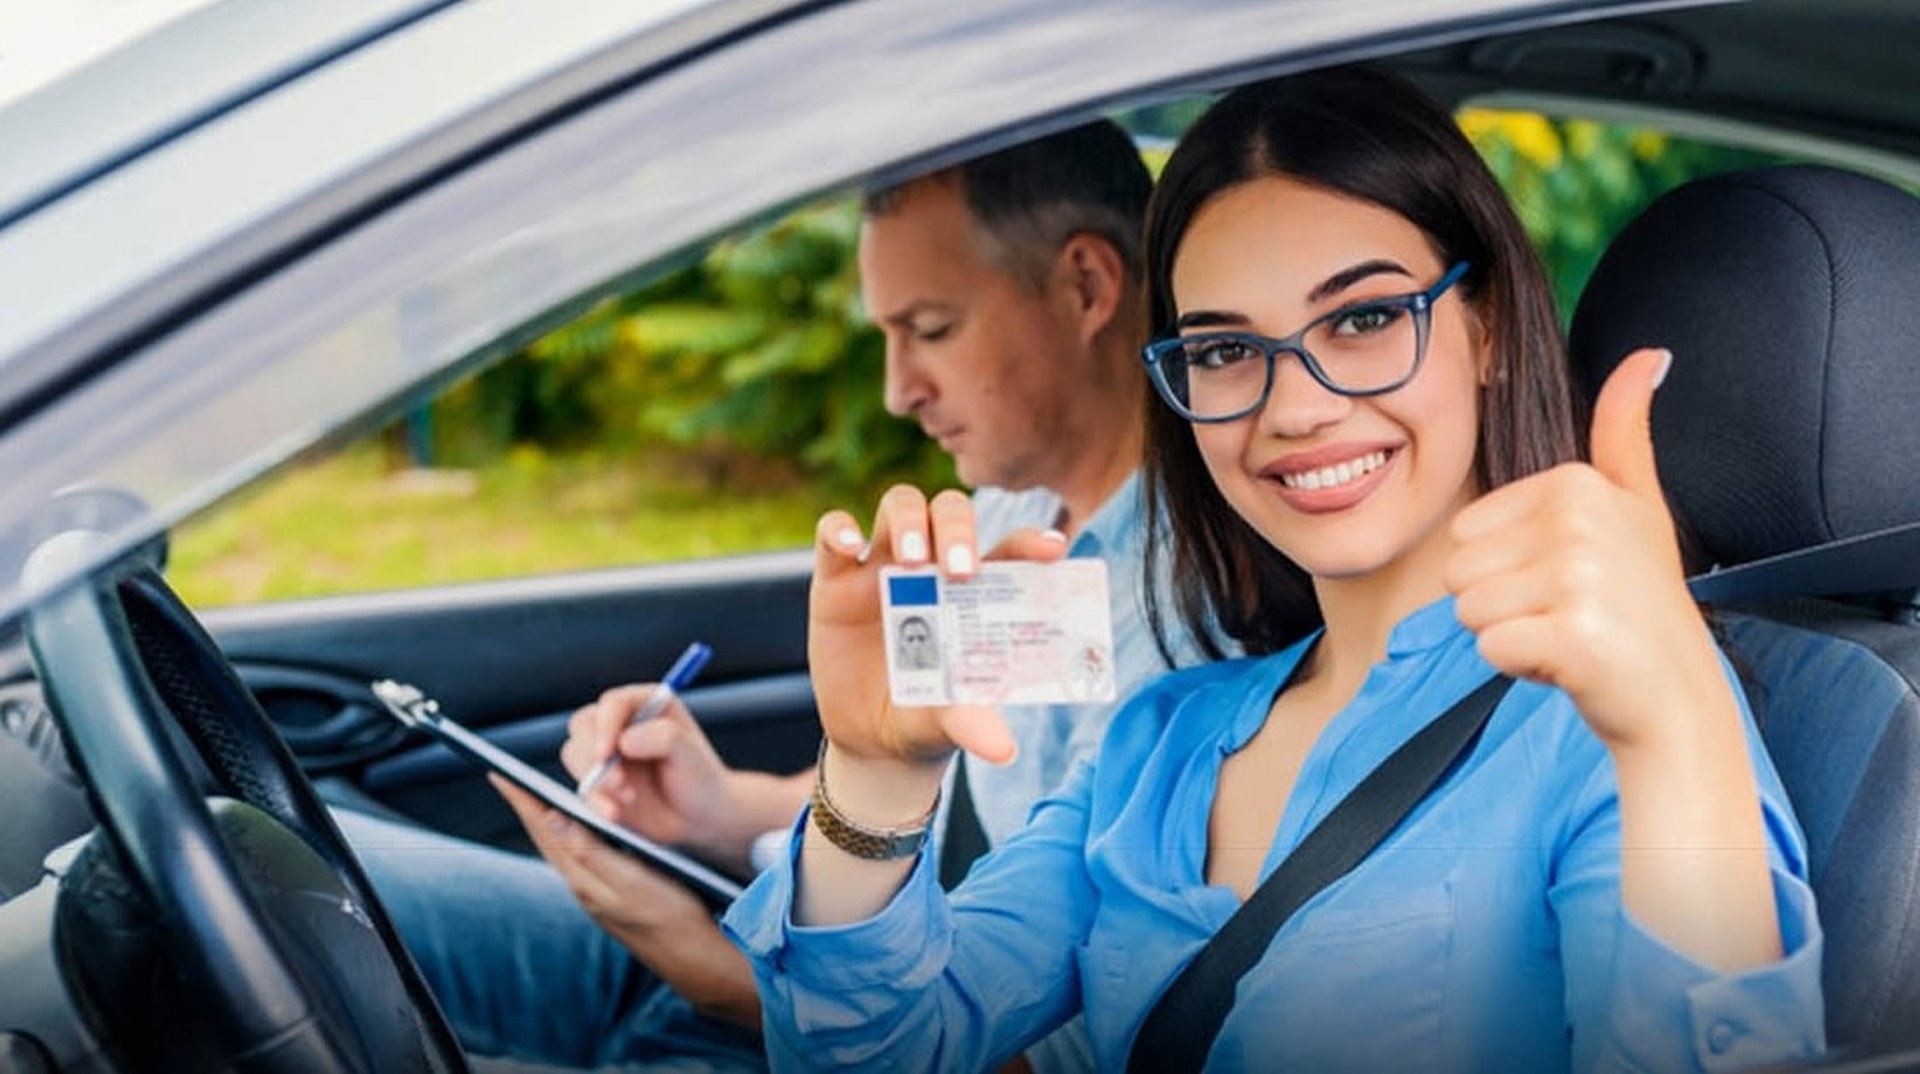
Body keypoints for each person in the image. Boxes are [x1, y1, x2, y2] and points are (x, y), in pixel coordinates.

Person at [722, 67, 1825, 1073]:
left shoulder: (1621, 723)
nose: (1293, 408)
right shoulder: (1157, 742)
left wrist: (1675, 717)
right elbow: (877, 1051)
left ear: (1485, 325)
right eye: (1224, 349)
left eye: (1365, 319)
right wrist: (870, 774)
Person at [340, 116, 1202, 1073]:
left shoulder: (1181, 630)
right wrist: (713, 809)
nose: (896, 390)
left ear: (1087, 284)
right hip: (793, 959)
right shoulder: (1011, 514)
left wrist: (711, 971)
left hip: (814, 1021)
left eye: (931, 330)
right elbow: (938, 795)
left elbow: (1060, 1051)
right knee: (325, 879)